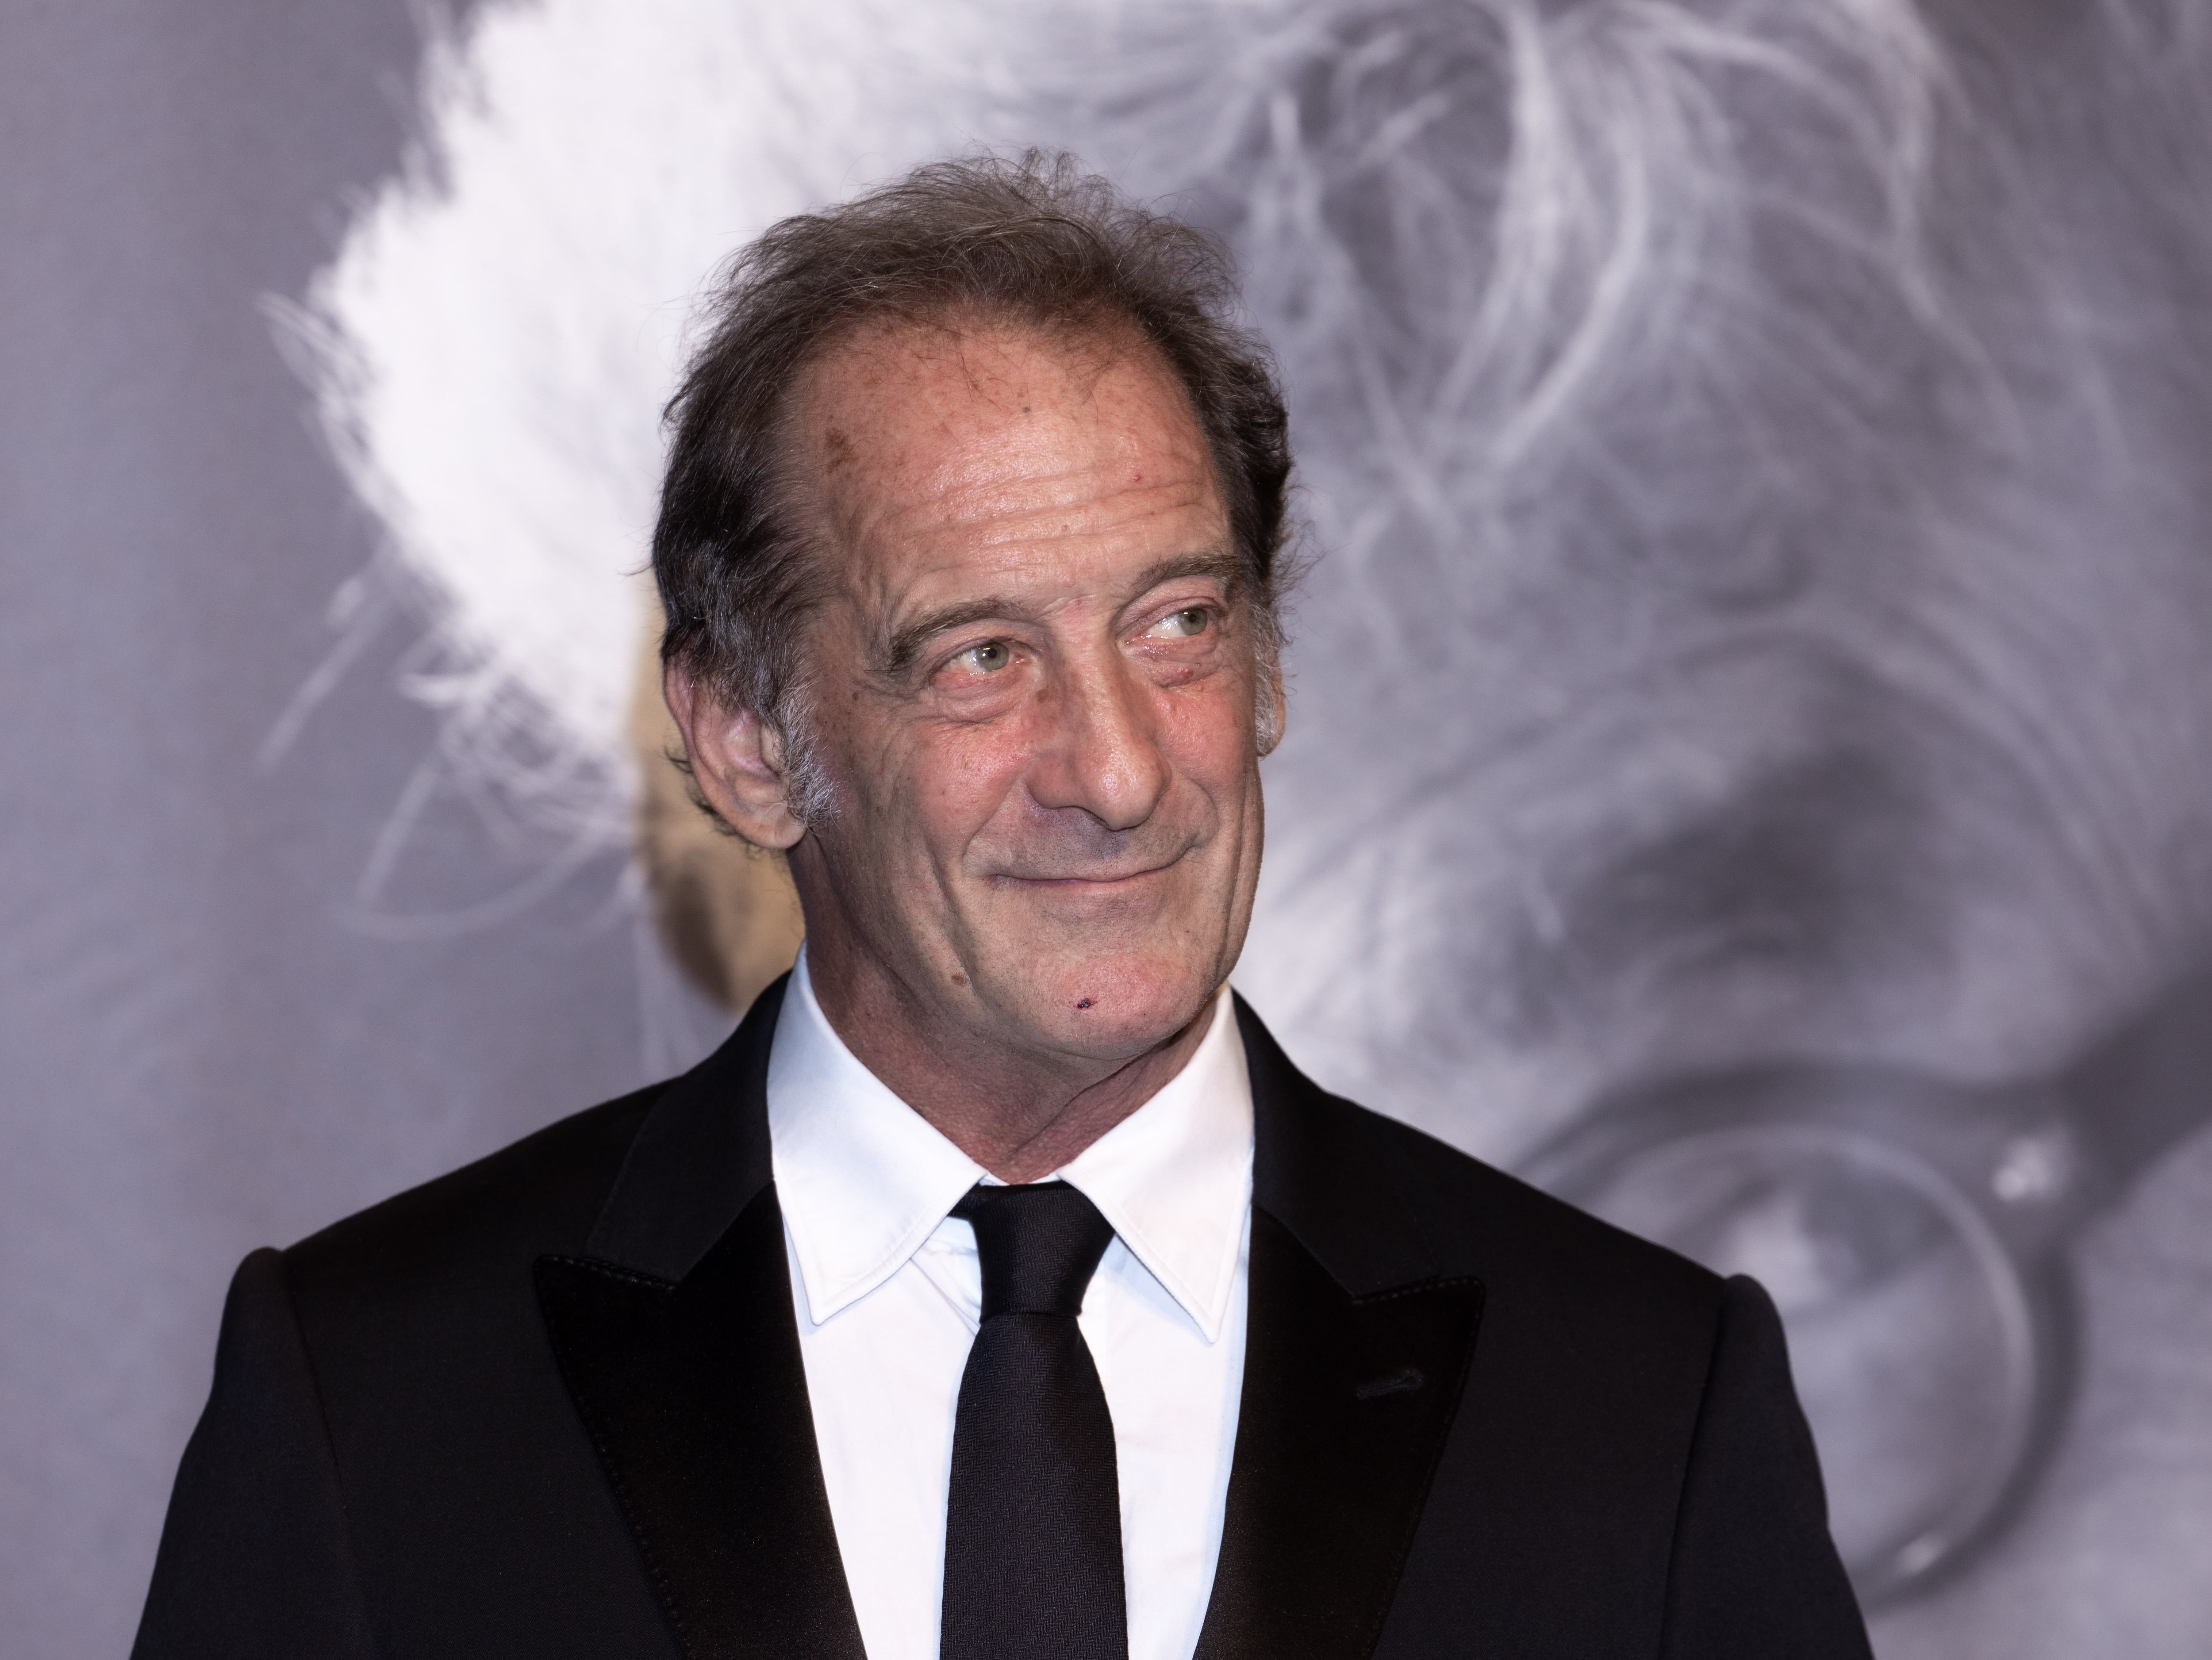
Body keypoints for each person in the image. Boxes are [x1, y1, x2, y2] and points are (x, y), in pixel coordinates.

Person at [133, 153, 1870, 1660]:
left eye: (1175, 623)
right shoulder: (381, 1403)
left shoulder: (1636, 1405)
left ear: (1265, 666)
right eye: (980, 657)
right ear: (745, 743)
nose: (1116, 768)